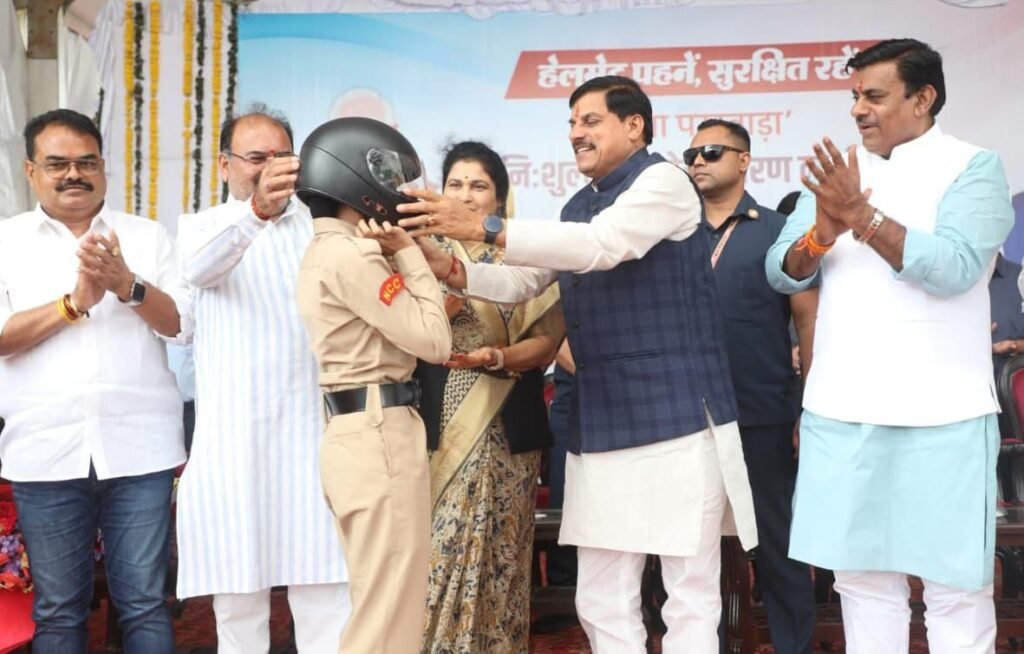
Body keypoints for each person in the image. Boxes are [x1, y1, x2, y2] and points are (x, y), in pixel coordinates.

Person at [394, 75, 757, 652]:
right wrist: (452, 269)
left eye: (590, 121)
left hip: (677, 418)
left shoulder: (664, 181)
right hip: (604, 419)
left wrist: (486, 227)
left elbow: (602, 245)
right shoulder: (578, 205)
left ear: (634, 126)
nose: (576, 134)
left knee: (687, 592)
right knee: (601, 596)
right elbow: (523, 282)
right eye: (571, 123)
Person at [765, 38, 1013, 653]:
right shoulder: (841, 172)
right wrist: (820, 235)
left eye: (874, 96)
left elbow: (955, 268)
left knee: (955, 587)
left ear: (922, 98)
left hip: (945, 412)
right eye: (854, 96)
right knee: (861, 581)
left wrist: (861, 216)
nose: (858, 109)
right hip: (842, 409)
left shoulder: (973, 167)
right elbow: (782, 270)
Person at [0, 108, 187, 653]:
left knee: (145, 605)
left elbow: (180, 324)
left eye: (86, 162)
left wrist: (129, 286)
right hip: (45, 449)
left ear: (104, 167)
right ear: (31, 170)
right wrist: (74, 303)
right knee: (59, 611)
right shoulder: (7, 241)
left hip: (141, 451)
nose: (73, 174)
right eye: (57, 164)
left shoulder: (146, 237)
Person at [174, 105, 350, 653]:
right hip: (233, 449)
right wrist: (257, 213)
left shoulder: (323, 227)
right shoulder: (200, 228)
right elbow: (199, 273)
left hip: (311, 438)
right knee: (238, 605)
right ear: (225, 165)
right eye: (256, 158)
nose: (270, 168)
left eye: (281, 157)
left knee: (327, 596)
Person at [294, 117, 452, 654]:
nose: (398, 192)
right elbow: (434, 340)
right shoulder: (350, 254)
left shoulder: (328, 250)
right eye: (388, 177)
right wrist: (408, 252)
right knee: (387, 616)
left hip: (360, 431)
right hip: (379, 432)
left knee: (382, 604)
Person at [419, 141, 564, 653]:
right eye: (455, 184)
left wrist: (499, 357)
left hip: (510, 425)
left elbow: (547, 342)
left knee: (501, 552)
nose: (465, 195)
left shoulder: (526, 257)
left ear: (499, 199)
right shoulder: (419, 254)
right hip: (440, 419)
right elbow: (402, 331)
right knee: (441, 548)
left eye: (478, 186)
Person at [687, 118, 817, 654]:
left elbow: (807, 320)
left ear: (744, 160)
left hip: (761, 414)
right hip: (684, 417)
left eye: (712, 152)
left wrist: (808, 408)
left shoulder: (777, 231)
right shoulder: (672, 233)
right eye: (691, 154)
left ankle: (793, 646)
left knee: (777, 544)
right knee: (690, 552)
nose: (698, 161)